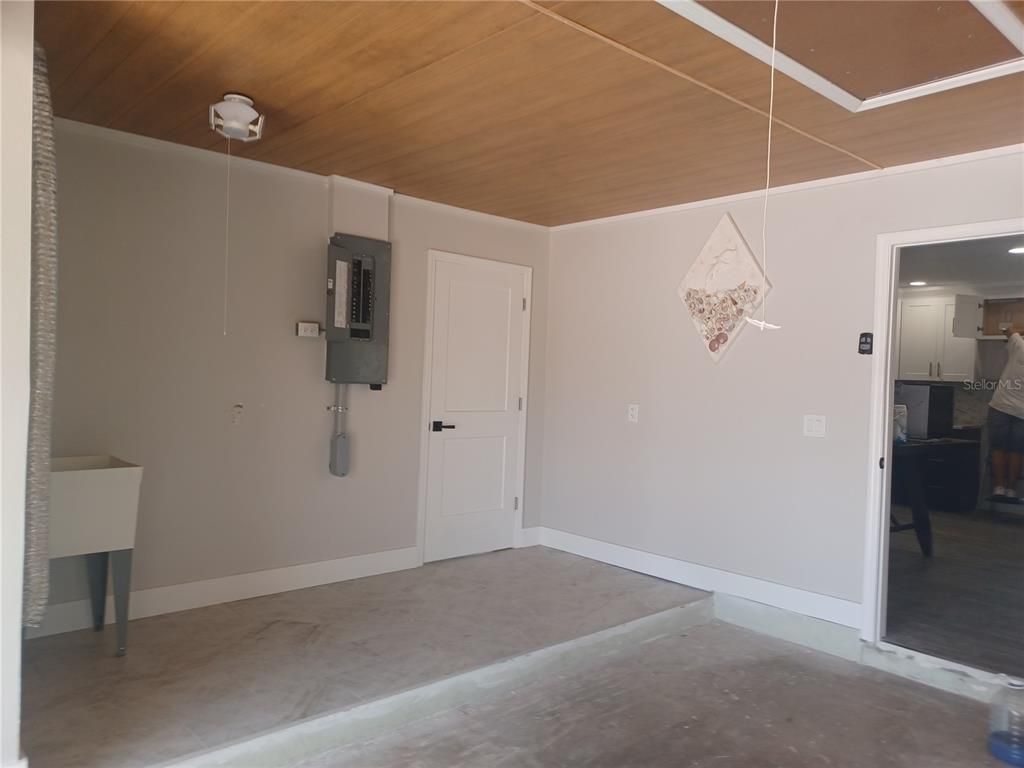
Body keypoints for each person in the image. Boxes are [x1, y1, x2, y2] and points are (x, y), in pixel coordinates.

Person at [989, 328, 1024, 499]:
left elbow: (1009, 329)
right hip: (1022, 412)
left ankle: (999, 488)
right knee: (1017, 451)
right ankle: (1011, 490)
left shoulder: (1019, 345)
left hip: (1001, 406)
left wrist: (1020, 331)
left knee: (998, 448)